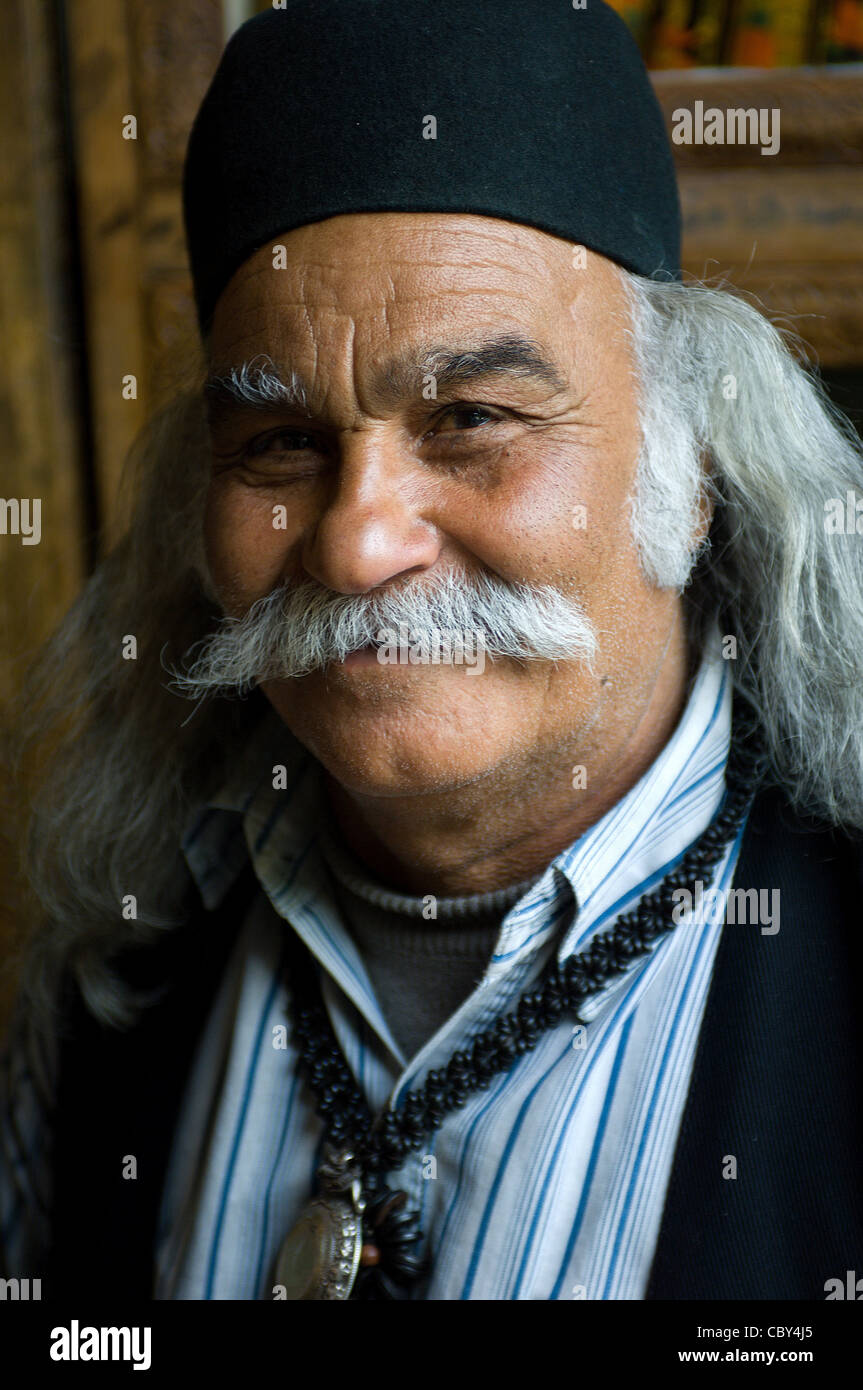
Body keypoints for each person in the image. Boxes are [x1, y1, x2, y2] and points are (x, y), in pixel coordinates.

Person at [2, 0, 862, 1302]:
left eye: (469, 416)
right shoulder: (116, 976)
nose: (355, 545)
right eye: (282, 443)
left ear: (688, 469)